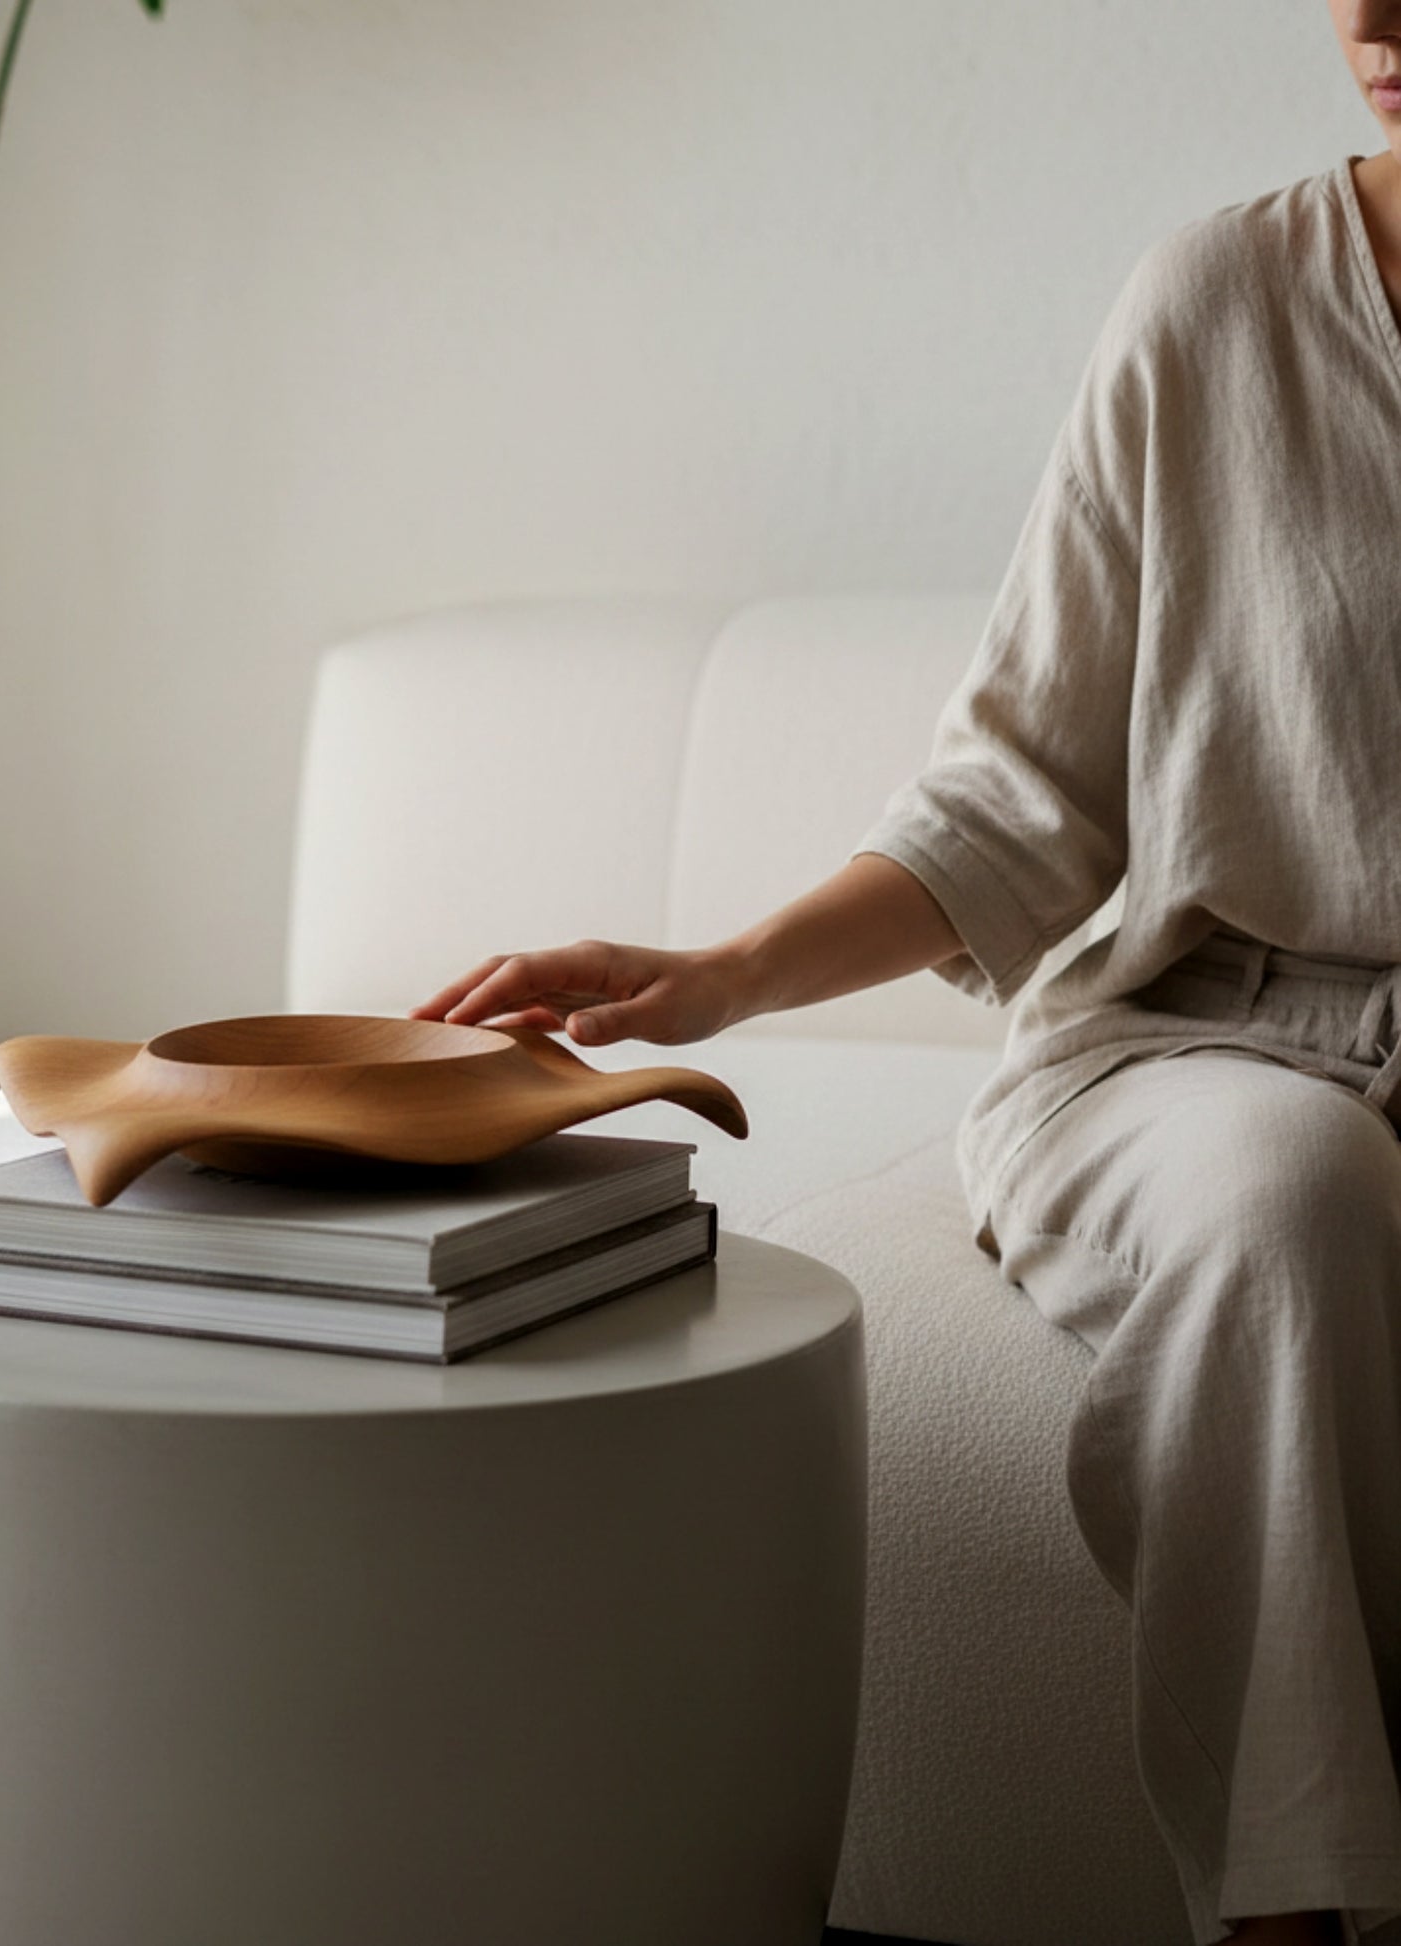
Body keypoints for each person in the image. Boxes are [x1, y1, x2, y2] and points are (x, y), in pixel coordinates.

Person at [409, 12, 1401, 1945]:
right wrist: (713, 974)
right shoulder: (1216, 306)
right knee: (1284, 1210)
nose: (1367, 20)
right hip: (1186, 1047)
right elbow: (1016, 792)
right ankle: (1287, 1927)